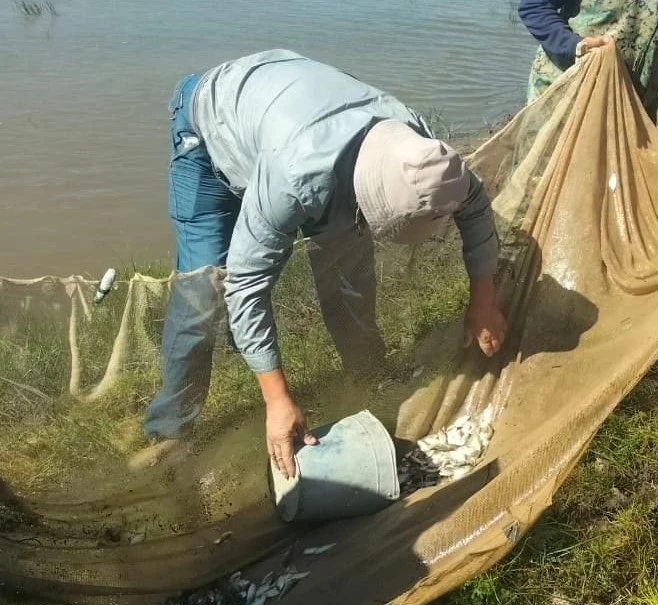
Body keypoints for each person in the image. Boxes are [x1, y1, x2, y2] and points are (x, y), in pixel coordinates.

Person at [134, 50, 507, 478]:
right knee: (205, 291)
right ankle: (170, 431)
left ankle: (369, 376)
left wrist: (484, 300)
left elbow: (476, 207)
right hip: (208, 125)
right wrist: (277, 400)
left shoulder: (423, 152)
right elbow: (245, 281)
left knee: (349, 274)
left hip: (286, 113)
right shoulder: (295, 176)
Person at [518, 0, 658, 121]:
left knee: (617, 181)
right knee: (547, 180)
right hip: (567, 83)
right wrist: (573, 46)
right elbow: (535, 6)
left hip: (638, 92)